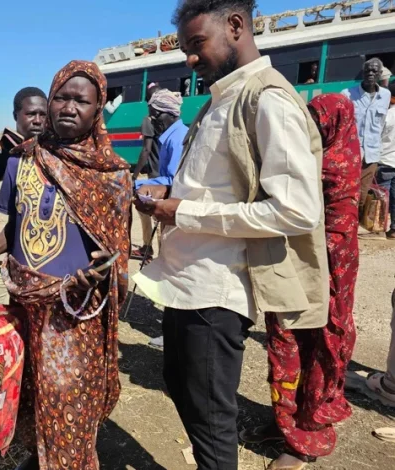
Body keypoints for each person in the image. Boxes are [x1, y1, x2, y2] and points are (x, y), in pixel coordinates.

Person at [134, 1, 328, 468]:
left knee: (212, 419)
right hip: (185, 282)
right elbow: (217, 185)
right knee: (181, 387)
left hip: (218, 289)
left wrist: (186, 212)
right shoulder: (223, 99)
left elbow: (297, 210)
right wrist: (171, 191)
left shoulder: (268, 99)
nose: (190, 59)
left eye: (197, 44)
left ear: (236, 26)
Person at [0, 60, 131, 470]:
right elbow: (18, 224)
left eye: (82, 100)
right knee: (28, 392)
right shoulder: (22, 161)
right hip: (24, 304)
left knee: (67, 402)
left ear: (98, 109)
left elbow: (118, 247)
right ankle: (40, 458)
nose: (69, 107)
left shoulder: (111, 175)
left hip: (72, 312)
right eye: (62, 96)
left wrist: (105, 268)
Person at [240, 93, 361, 470]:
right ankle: (284, 420)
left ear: (334, 126)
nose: (311, 129)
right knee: (286, 340)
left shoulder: (337, 168)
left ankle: (306, 437)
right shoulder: (308, 159)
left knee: (319, 345)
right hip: (294, 264)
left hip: (326, 273)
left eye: (318, 122)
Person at [0, 86, 47, 305]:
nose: (37, 120)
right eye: (31, 113)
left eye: (43, 114)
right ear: (16, 115)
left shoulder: (52, 157)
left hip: (34, 254)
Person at [134, 89, 188, 349]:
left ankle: (174, 333)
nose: (152, 119)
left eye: (155, 115)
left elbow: (175, 180)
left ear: (167, 115)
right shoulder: (170, 136)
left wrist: (142, 185)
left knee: (174, 271)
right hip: (170, 207)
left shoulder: (177, 140)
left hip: (176, 211)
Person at [342, 58, 392, 220]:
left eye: (374, 71)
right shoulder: (348, 94)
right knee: (347, 190)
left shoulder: (385, 95)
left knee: (363, 193)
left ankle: (353, 224)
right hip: (351, 153)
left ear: (379, 74)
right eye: (368, 70)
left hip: (372, 154)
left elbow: (382, 124)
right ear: (363, 73)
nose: (371, 74)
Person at [131, 83, 163, 260]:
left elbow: (146, 150)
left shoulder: (148, 120)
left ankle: (147, 248)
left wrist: (135, 176)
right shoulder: (173, 116)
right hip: (166, 175)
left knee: (144, 210)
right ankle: (163, 252)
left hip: (154, 176)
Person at [375, 81, 395, 239]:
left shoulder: (387, 115)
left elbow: (376, 138)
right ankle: (394, 229)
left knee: (382, 196)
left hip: (385, 161)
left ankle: (379, 228)